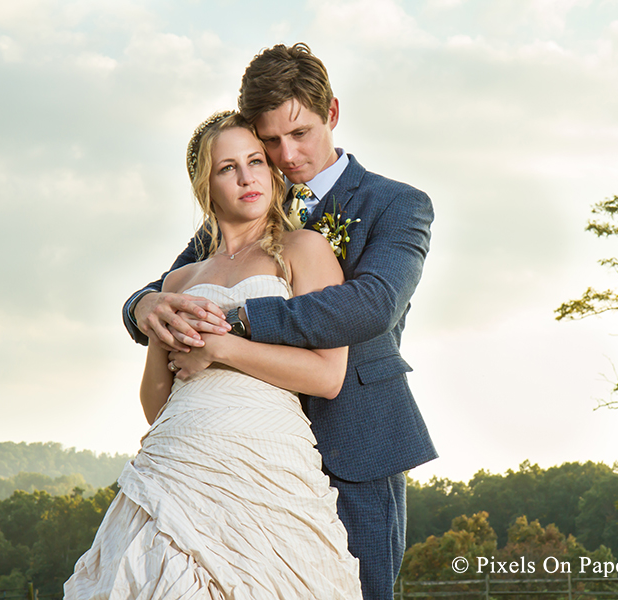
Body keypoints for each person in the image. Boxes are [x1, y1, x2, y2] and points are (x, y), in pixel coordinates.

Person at [123, 43, 437, 599]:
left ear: (332, 115)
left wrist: (235, 323)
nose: (286, 157)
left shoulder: (396, 204)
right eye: (269, 140)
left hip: (355, 443)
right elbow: (176, 285)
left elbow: (372, 304)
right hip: (242, 451)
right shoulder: (245, 206)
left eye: (301, 133)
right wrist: (141, 307)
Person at [66, 111, 362, 599]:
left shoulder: (304, 250)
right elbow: (156, 402)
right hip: (178, 460)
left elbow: (328, 376)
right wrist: (161, 326)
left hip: (266, 458)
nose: (247, 177)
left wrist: (220, 348)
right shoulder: (179, 281)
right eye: (228, 168)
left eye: (255, 162)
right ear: (205, 185)